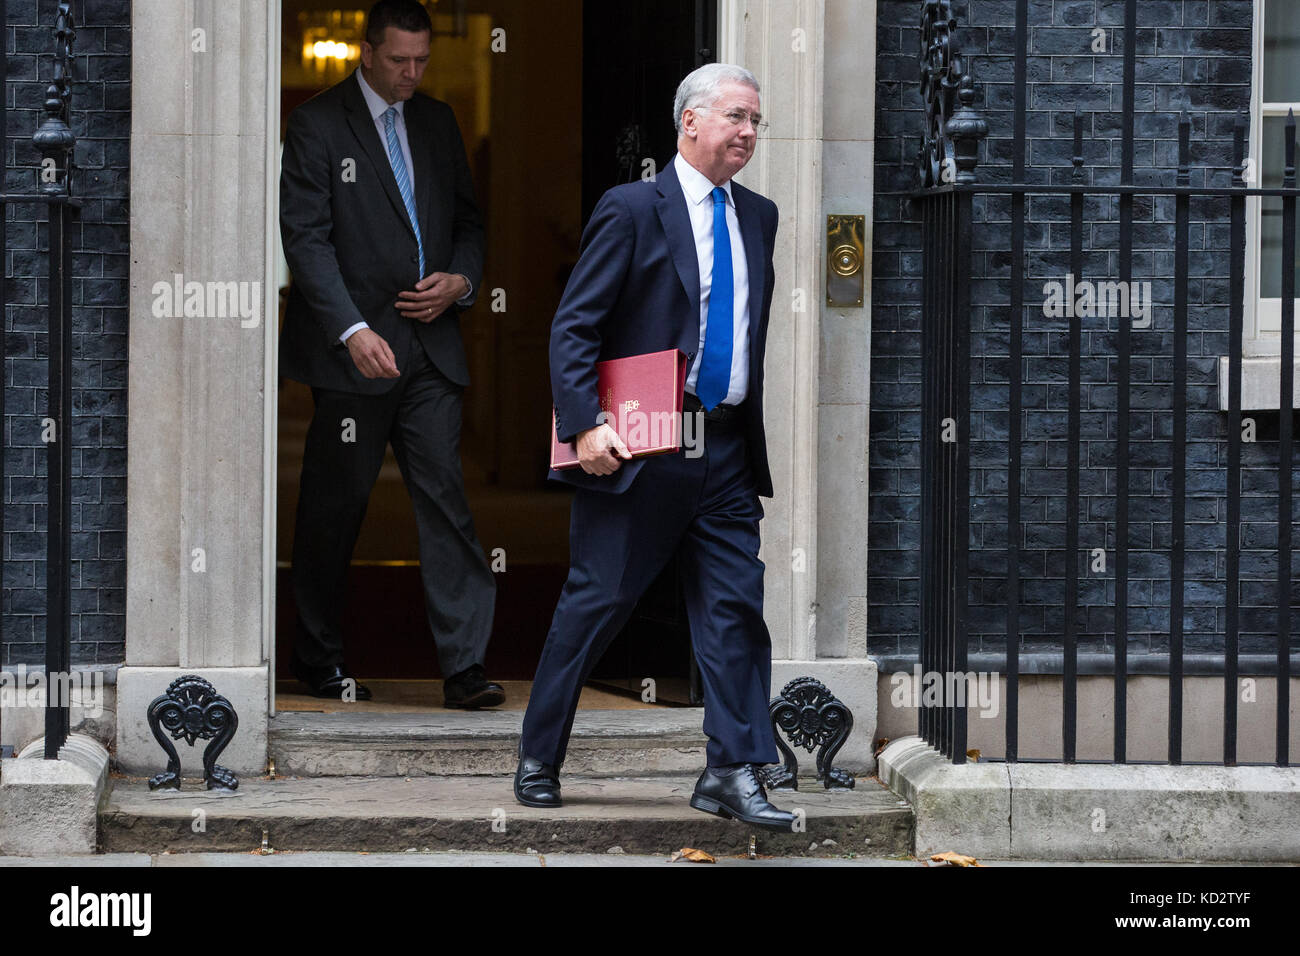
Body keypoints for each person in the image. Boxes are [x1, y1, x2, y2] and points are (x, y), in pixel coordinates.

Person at [514, 63, 792, 829]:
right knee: (596, 604)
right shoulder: (634, 207)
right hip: (642, 449)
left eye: (755, 121)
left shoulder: (760, 216)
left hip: (727, 451)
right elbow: (575, 325)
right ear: (690, 121)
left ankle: (731, 771)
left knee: (734, 609)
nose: (747, 133)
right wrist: (581, 424)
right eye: (736, 116)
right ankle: (539, 754)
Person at [279, 0, 503, 709]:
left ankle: (465, 669)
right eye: (400, 61)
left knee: (447, 504)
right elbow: (306, 240)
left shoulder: (436, 122)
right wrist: (350, 329)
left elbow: (469, 220)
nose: (412, 74)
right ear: (366, 52)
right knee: (332, 509)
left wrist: (462, 281)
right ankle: (319, 661)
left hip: (431, 352)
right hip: (354, 356)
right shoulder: (317, 124)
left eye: (422, 62)